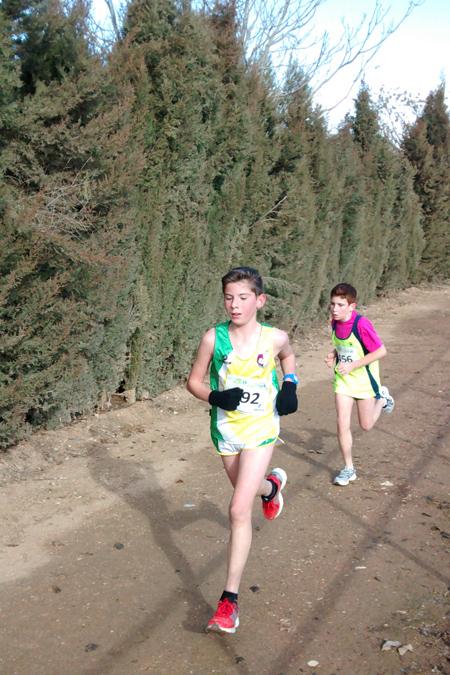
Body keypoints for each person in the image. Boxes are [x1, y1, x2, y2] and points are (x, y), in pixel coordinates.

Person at [186, 266, 298, 634]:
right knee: (247, 492)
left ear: (259, 300)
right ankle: (272, 487)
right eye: (229, 298)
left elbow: (288, 358)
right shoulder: (212, 339)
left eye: (243, 298)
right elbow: (194, 382)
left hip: (262, 429)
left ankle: (229, 603)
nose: (235, 305)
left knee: (237, 508)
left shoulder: (274, 337)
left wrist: (290, 386)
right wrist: (217, 396)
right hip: (227, 431)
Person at [324, 282, 395, 487]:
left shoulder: (362, 324)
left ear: (352, 307)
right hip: (344, 381)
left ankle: (381, 399)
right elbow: (342, 344)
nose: (335, 309)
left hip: (364, 381)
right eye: (332, 304)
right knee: (341, 422)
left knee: (366, 425)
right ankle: (348, 468)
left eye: (340, 305)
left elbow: (381, 351)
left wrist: (354, 365)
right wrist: (333, 354)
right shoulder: (335, 322)